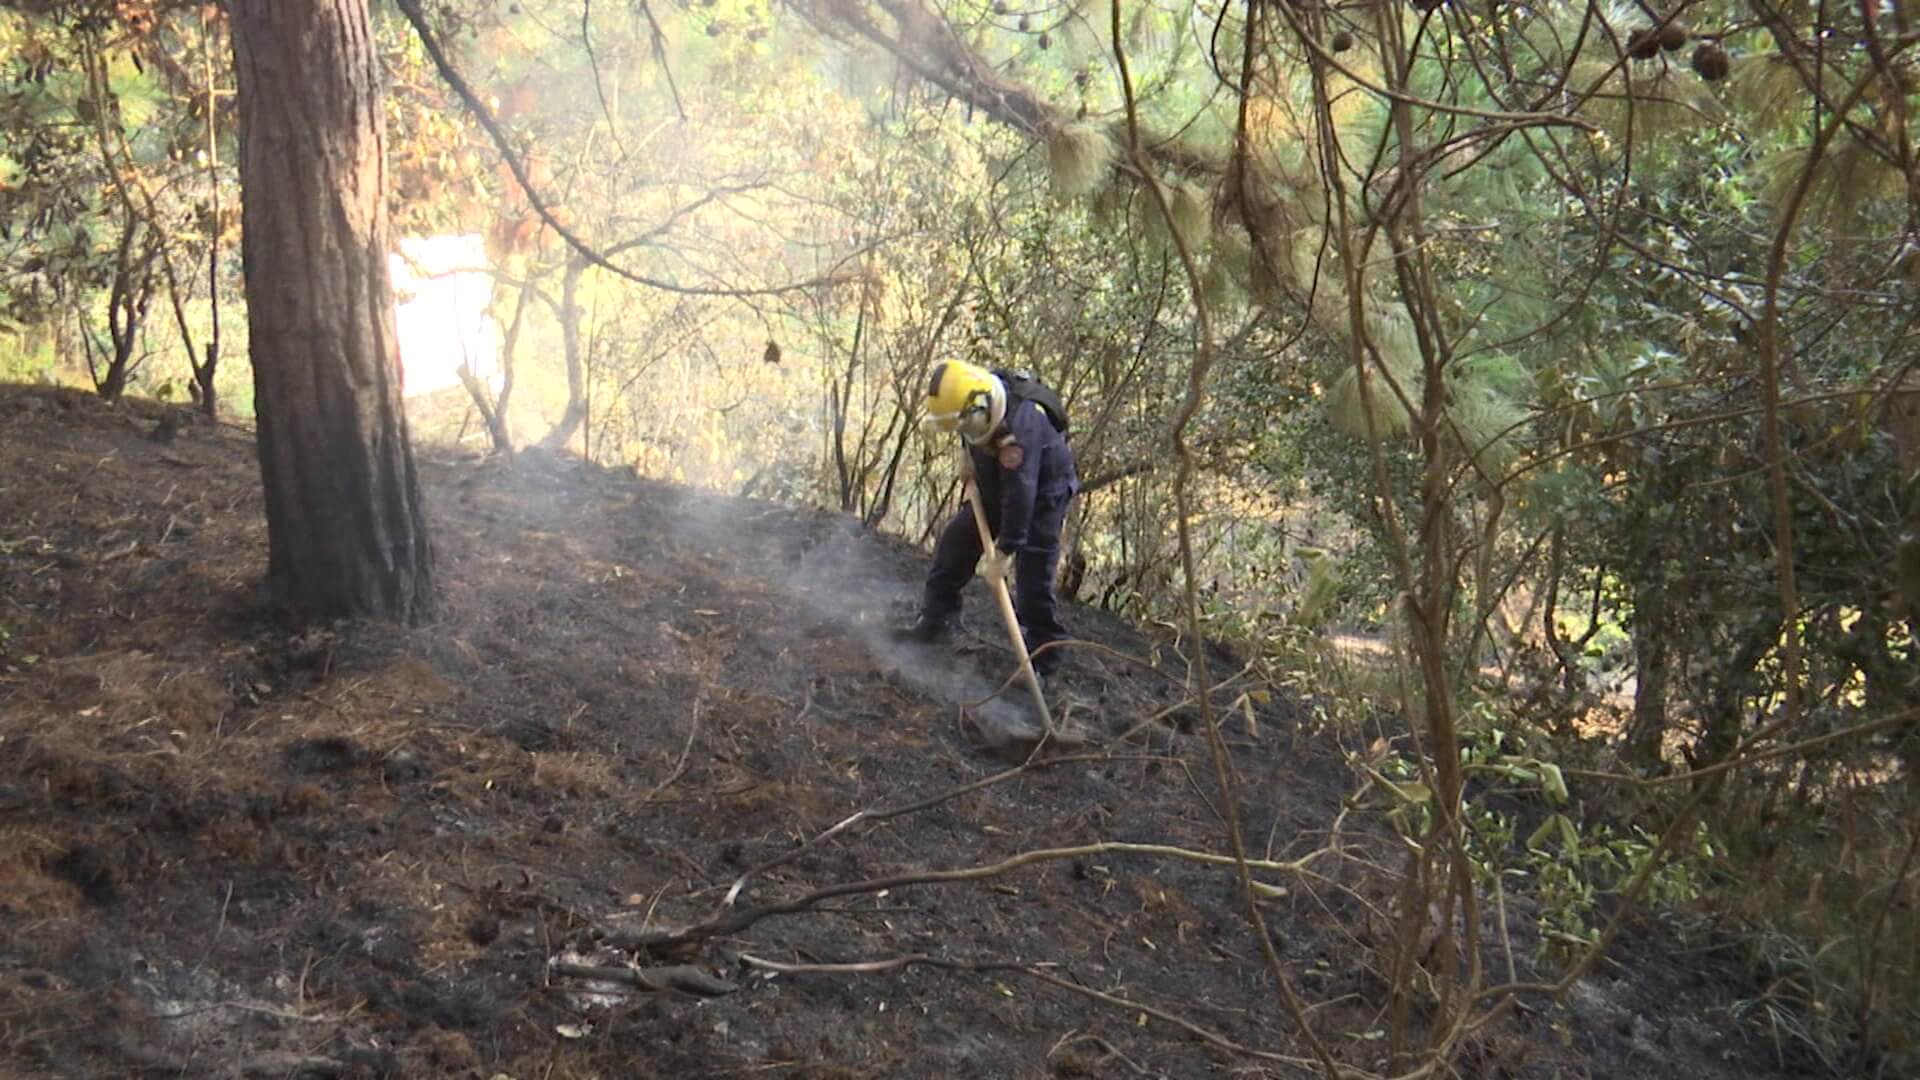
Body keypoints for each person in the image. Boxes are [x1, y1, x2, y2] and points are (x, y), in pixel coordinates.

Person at [894, 359, 1080, 677]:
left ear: (982, 408)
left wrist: (1005, 551)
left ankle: (1044, 661)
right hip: (998, 482)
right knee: (954, 546)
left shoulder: (1022, 427)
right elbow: (967, 429)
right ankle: (936, 621)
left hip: (1043, 493)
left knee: (1033, 577)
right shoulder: (975, 397)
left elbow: (1021, 495)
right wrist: (967, 458)